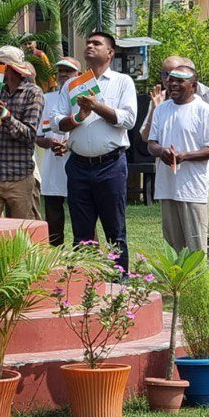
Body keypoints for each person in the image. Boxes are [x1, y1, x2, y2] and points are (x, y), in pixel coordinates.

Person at [58, 31, 138, 268]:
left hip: (111, 165)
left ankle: (119, 281)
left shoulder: (123, 82)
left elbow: (128, 119)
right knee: (81, 231)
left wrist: (97, 106)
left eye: (97, 44)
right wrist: (78, 117)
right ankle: (86, 281)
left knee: (115, 229)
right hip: (78, 165)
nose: (90, 46)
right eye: (88, 43)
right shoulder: (73, 85)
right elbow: (57, 121)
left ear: (110, 53)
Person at [147, 54, 209, 236]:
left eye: (179, 81)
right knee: (172, 239)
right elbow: (150, 143)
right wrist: (161, 151)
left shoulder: (204, 108)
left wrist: (184, 156)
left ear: (193, 86)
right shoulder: (161, 108)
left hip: (194, 185)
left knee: (198, 240)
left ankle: (205, 265)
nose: (173, 84)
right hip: (167, 185)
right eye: (170, 80)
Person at [0, 46, 44, 219]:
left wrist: (7, 116)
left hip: (20, 175)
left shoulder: (33, 93)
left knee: (23, 234)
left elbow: (29, 135)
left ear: (6, 67)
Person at [37, 57, 80, 246]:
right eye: (60, 71)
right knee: (53, 214)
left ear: (79, 75)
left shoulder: (85, 98)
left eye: (68, 71)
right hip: (53, 166)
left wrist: (69, 144)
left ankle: (87, 254)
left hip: (79, 164)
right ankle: (55, 254)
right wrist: (50, 142)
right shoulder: (47, 99)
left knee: (83, 214)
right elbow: (38, 136)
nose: (63, 75)